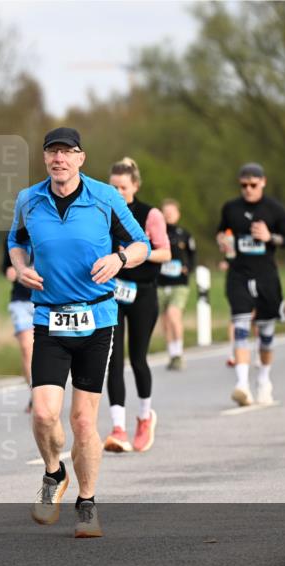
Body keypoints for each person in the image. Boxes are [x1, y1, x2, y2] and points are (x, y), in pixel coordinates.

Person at [8, 127, 150, 538]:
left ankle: (87, 503)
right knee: (43, 413)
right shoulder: (28, 200)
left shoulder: (105, 198)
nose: (60, 159)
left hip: (96, 320)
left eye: (67, 152)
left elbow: (140, 244)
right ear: (45, 158)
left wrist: (120, 258)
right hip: (49, 319)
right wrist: (20, 266)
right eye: (53, 152)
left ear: (80, 158)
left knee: (84, 421)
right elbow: (15, 240)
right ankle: (54, 472)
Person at [102, 158, 171, 454]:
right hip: (112, 293)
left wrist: (135, 254)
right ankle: (118, 428)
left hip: (142, 293)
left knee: (138, 358)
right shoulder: (103, 213)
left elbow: (165, 253)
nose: (118, 193)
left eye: (123, 187)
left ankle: (145, 417)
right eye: (113, 187)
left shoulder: (149, 214)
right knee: (113, 360)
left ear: (135, 186)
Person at [216, 163, 285, 406]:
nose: (248, 189)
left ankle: (263, 380)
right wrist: (222, 241)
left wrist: (270, 237)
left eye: (253, 185)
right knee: (240, 326)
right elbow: (221, 232)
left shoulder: (275, 209)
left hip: (266, 277)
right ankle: (242, 385)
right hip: (238, 274)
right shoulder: (231, 208)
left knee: (266, 334)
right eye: (244, 185)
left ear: (263, 182)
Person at [157, 198, 196, 371]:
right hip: (160, 283)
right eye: (165, 213)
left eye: (171, 213)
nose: (168, 216)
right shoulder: (156, 233)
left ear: (178, 214)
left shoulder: (184, 234)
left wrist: (188, 268)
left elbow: (193, 255)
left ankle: (179, 352)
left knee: (174, 315)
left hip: (179, 282)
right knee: (165, 320)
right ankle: (172, 353)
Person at [3, 238, 35, 412]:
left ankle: (46, 392)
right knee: (26, 348)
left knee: (47, 350)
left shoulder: (53, 229)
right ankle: (35, 394)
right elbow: (6, 268)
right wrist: (12, 271)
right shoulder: (14, 236)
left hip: (47, 301)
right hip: (21, 301)